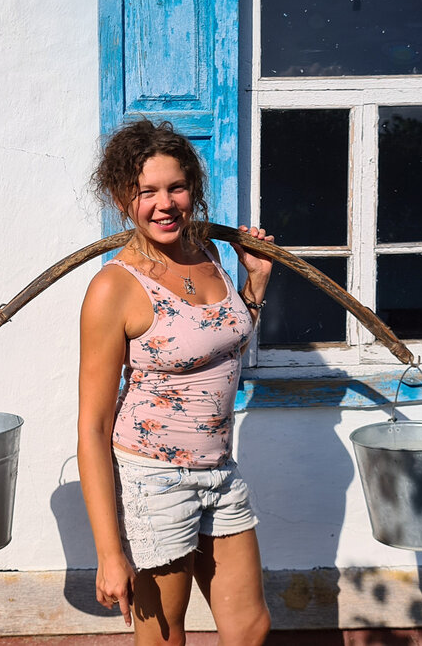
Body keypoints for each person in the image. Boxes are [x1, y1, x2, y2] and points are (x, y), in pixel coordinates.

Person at [77, 119, 274, 645]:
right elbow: (93, 426)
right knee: (165, 636)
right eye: (147, 192)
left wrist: (254, 283)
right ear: (123, 197)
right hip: (153, 480)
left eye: (176, 187)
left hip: (219, 469)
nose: (164, 204)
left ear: (193, 191)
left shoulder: (209, 255)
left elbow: (216, 343)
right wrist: (108, 553)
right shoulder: (113, 288)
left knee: (251, 627)